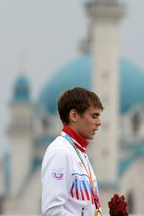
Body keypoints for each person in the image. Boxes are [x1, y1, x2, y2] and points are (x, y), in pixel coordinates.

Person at [41, 87, 104, 216]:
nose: (99, 122)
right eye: (94, 116)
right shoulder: (60, 151)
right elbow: (52, 211)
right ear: (74, 115)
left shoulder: (79, 152)